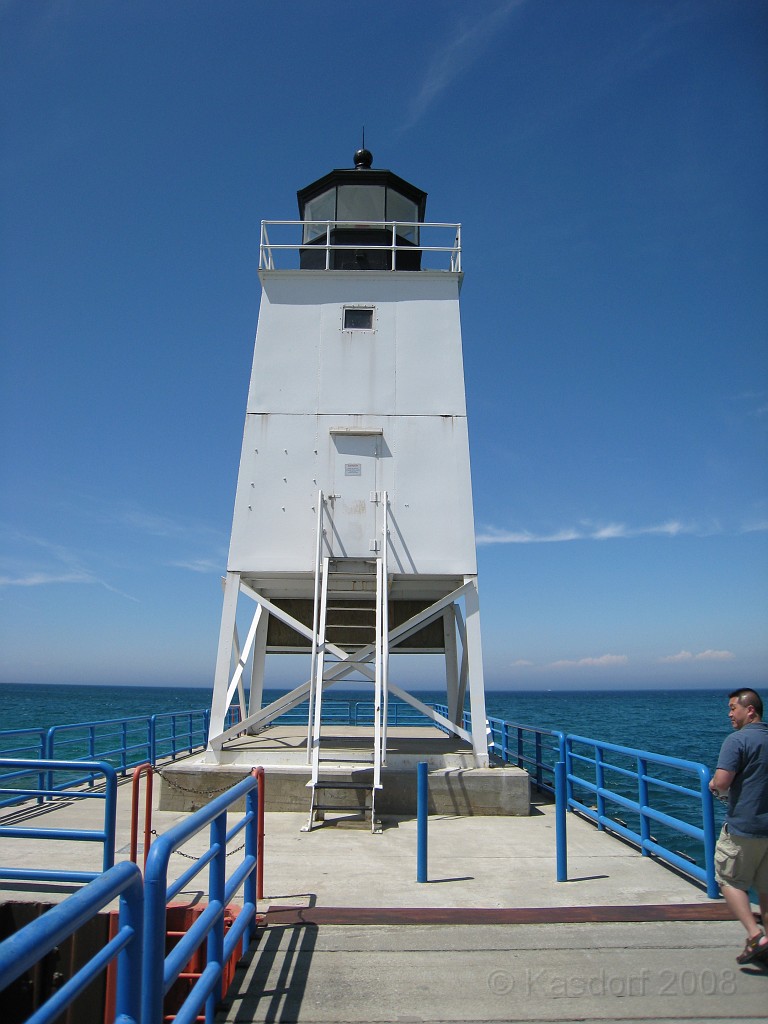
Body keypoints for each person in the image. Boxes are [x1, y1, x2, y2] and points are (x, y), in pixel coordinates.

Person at [709, 688, 768, 964]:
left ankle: (755, 935)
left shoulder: (737, 741)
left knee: (728, 880)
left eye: (734, 708)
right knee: (766, 888)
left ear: (750, 710)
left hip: (745, 826)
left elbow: (722, 782)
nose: (730, 714)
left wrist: (713, 786)